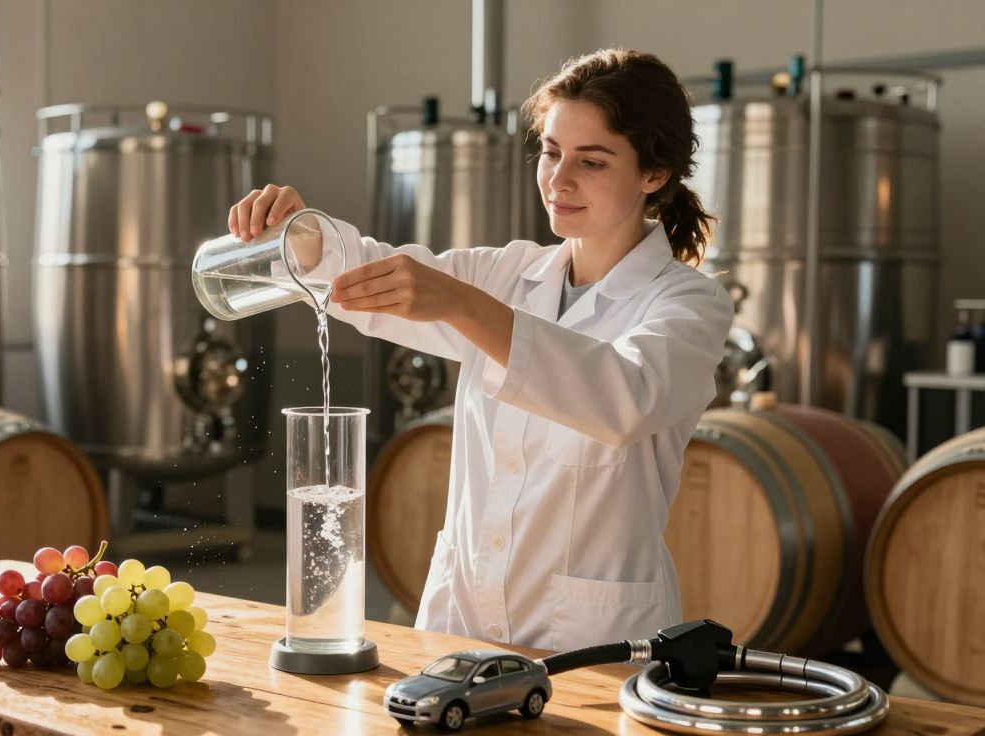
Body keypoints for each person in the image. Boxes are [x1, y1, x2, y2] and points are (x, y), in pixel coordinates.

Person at [227, 48, 733, 652]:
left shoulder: (688, 302)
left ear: (654, 174)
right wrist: (305, 237)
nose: (559, 179)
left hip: (593, 638)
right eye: (550, 151)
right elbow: (371, 274)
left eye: (591, 162)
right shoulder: (509, 273)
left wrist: (463, 305)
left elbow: (624, 398)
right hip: (460, 618)